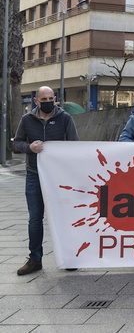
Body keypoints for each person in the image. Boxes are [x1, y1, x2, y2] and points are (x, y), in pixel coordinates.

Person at [13, 86, 80, 275]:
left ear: (55, 98)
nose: (48, 102)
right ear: (36, 101)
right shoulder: (27, 120)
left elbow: (75, 144)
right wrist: (29, 147)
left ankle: (69, 258)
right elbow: (17, 143)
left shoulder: (65, 118)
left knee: (64, 217)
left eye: (51, 98)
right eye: (44, 99)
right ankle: (35, 259)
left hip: (59, 177)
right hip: (34, 174)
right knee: (35, 218)